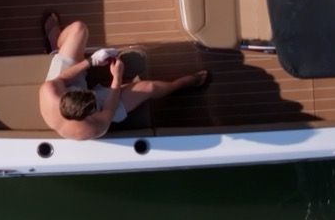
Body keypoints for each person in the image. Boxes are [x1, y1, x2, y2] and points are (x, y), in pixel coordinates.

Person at [38, 14, 210, 140]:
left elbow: (63, 78)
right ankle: (182, 84)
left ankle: (58, 45)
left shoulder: (50, 90)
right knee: (149, 88)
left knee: (79, 28)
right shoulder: (93, 128)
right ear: (89, 113)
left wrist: (92, 61)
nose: (89, 91)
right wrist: (116, 77)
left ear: (66, 94)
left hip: (68, 85)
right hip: (98, 108)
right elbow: (109, 109)